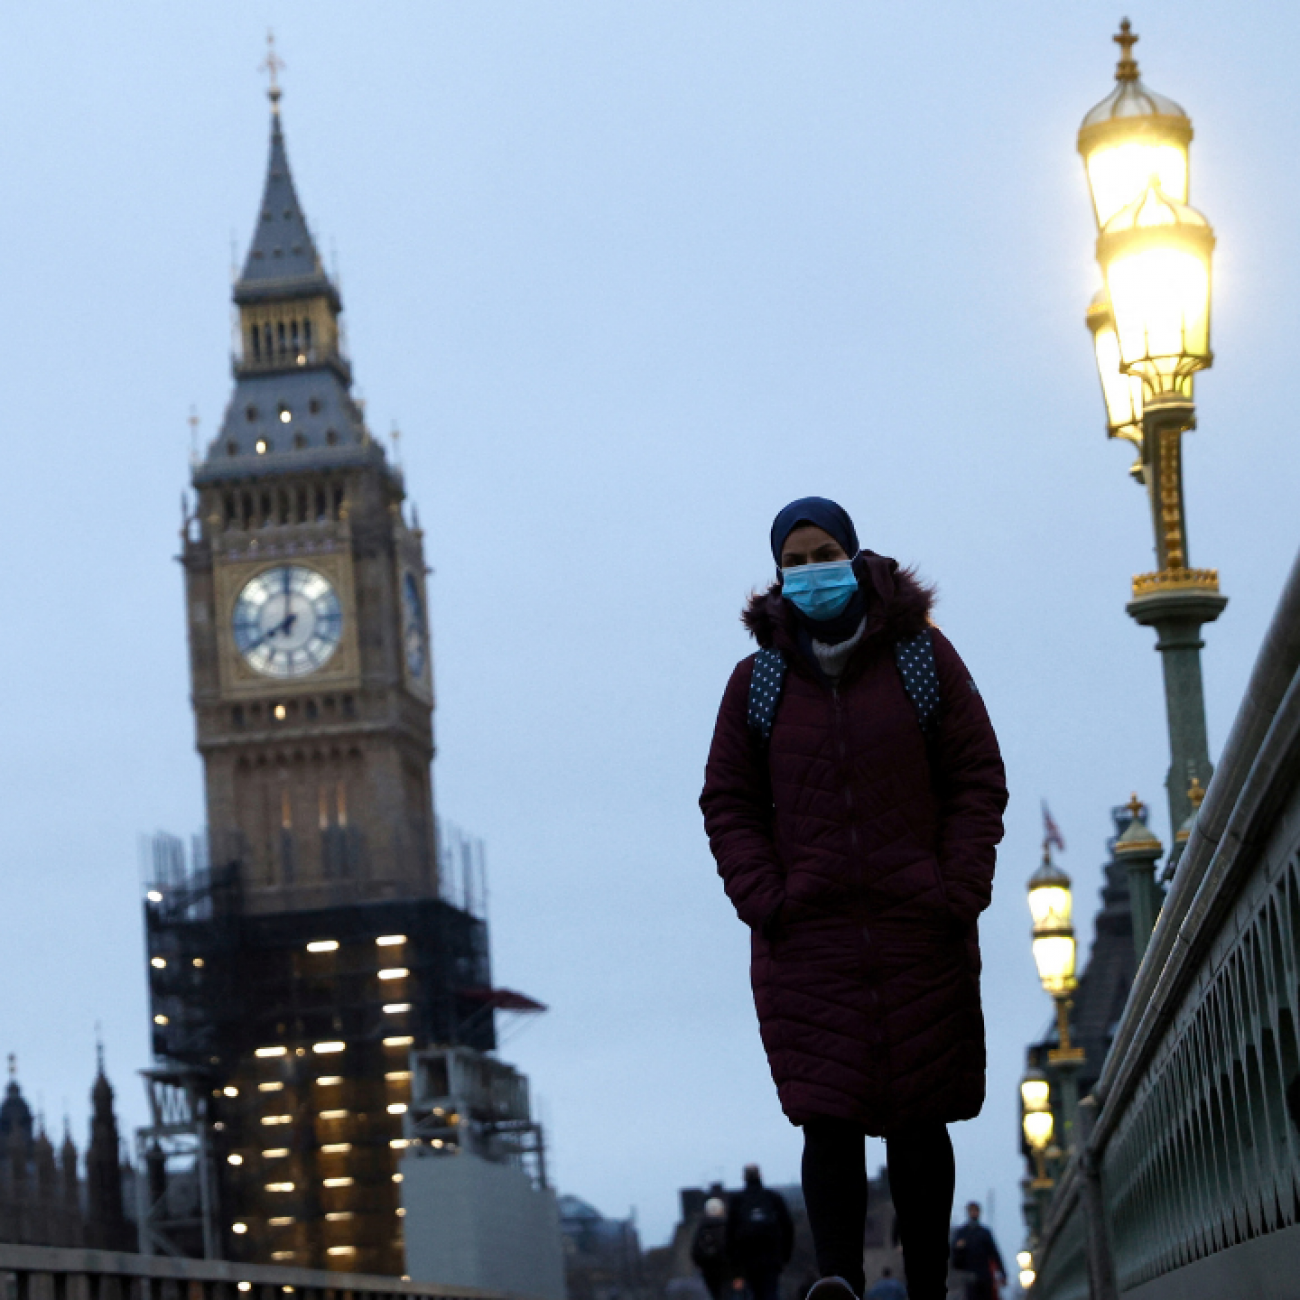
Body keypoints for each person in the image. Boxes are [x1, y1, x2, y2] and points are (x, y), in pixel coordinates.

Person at [700, 498, 1007, 1300]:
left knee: (920, 1119)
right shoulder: (756, 683)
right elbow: (727, 800)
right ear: (776, 575)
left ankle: (929, 1287)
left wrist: (958, 889)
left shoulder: (923, 658)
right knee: (826, 1121)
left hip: (918, 927)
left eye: (823, 552)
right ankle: (836, 1285)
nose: (810, 571)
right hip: (810, 939)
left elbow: (976, 777)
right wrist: (767, 898)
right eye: (793, 561)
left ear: (855, 555)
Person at [725, 1164, 794, 1300]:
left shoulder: (737, 1200)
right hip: (771, 1257)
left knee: (751, 1294)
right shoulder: (772, 1197)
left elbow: (729, 1235)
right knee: (770, 1292)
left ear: (744, 1177)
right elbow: (788, 1227)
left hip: (746, 1258)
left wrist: (735, 1268)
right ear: (760, 1175)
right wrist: (784, 1256)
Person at [950, 1202, 1006, 1299]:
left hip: (985, 1276)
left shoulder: (984, 1233)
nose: (974, 1213)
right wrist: (959, 1249)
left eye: (975, 1211)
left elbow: (994, 1253)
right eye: (972, 1211)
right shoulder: (962, 1233)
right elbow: (955, 1260)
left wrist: (1002, 1273)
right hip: (970, 1276)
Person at [691, 1186, 732, 1300]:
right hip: (729, 1271)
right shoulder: (729, 1226)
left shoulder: (702, 1229)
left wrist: (703, 1267)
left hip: (710, 1272)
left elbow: (695, 1253)